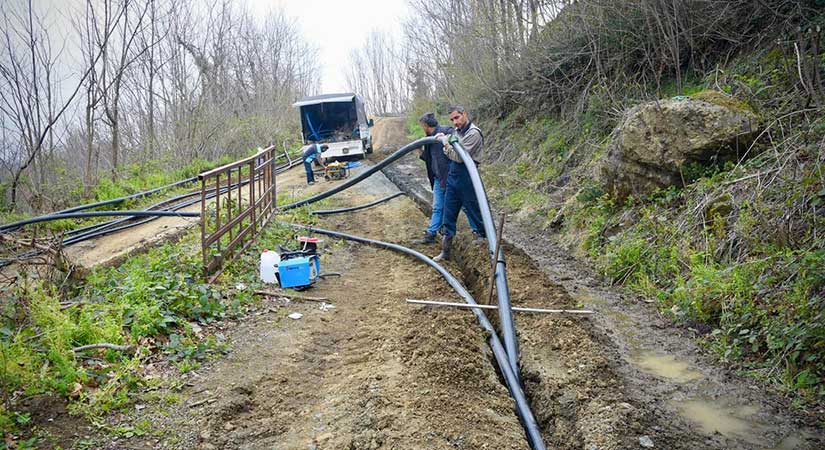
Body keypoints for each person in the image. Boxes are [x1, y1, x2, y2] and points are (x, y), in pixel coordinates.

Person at [433, 104, 486, 261]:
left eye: (457, 117)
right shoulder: (457, 131)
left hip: (468, 177)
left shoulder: (473, 133)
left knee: (473, 210)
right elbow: (454, 147)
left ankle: (483, 245)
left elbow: (459, 156)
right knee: (448, 214)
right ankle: (445, 252)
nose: (455, 122)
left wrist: (445, 143)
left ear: (465, 114)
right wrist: (447, 139)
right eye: (452, 119)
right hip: (453, 176)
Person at [411, 113, 453, 245]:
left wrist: (445, 138)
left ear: (425, 125)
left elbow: (456, 138)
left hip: (449, 178)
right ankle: (431, 233)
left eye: (422, 125)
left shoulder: (446, 130)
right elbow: (428, 159)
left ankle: (479, 232)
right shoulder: (428, 139)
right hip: (437, 178)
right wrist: (419, 150)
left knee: (459, 207)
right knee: (437, 207)